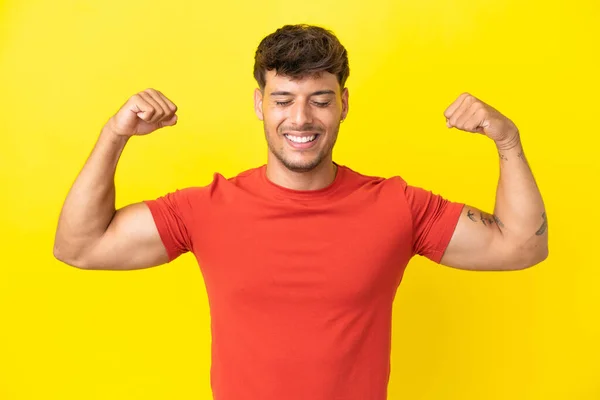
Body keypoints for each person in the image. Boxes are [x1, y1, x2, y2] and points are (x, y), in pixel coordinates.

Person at [53, 24, 548, 400]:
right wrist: (114, 135)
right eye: (283, 99)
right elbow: (79, 246)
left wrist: (507, 140)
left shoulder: (399, 206)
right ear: (259, 104)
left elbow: (521, 246)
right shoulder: (205, 208)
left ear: (344, 104)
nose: (301, 119)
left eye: (320, 101)